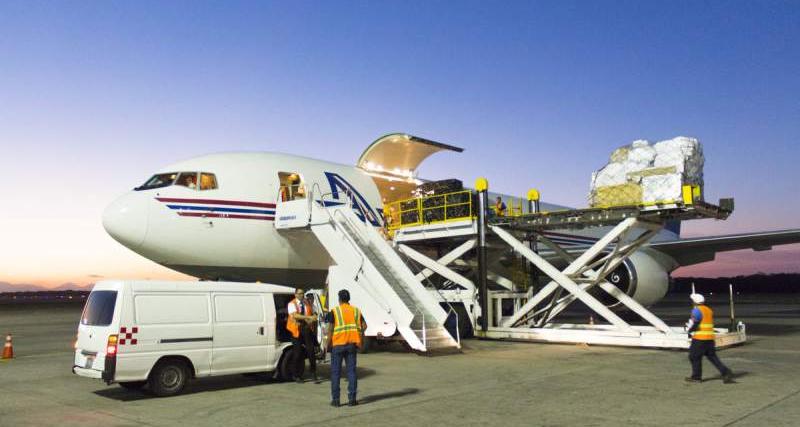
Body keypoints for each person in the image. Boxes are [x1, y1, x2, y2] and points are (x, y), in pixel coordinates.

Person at [685, 293, 734, 383]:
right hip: (710, 339)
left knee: (694, 357)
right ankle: (726, 372)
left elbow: (695, 323)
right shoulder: (708, 310)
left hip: (700, 339)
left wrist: (689, 330)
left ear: (695, 302)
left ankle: (696, 377)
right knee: (712, 357)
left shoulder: (696, 310)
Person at [326, 289, 363, 407]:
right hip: (352, 344)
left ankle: (336, 400)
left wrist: (328, 344)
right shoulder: (356, 311)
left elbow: (331, 329)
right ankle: (352, 399)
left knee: (335, 373)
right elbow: (364, 326)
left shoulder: (335, 311)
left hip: (337, 345)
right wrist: (358, 334)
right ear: (349, 298)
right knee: (351, 372)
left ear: (339, 299)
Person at [287, 288, 318, 383]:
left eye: (303, 293)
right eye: (300, 293)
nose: (302, 295)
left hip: (306, 329)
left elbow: (314, 313)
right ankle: (296, 375)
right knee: (298, 353)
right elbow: (295, 315)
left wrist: (313, 318)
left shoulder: (307, 302)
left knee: (311, 351)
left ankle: (313, 373)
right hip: (296, 330)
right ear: (295, 294)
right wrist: (308, 317)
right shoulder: (291, 303)